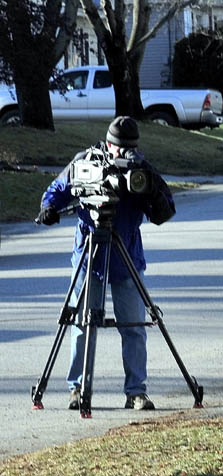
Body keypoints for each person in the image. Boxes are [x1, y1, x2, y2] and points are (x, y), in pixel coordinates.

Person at [37, 116, 175, 410]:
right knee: (82, 324)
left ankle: (136, 392)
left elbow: (166, 209)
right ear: (108, 144)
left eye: (130, 149)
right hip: (91, 258)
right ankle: (77, 390)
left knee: (134, 327)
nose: (124, 155)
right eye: (119, 149)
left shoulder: (140, 170)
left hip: (126, 259)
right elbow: (56, 191)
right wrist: (49, 207)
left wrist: (150, 192)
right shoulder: (85, 161)